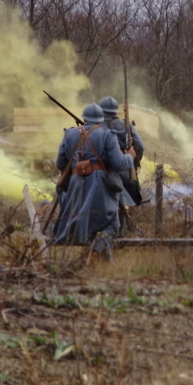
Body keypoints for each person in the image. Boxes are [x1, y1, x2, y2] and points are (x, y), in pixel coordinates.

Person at [53, 103, 135, 261]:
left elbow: (60, 163)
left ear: (84, 118)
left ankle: (96, 260)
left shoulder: (69, 134)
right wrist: (130, 156)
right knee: (112, 224)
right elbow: (119, 163)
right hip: (99, 186)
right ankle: (97, 250)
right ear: (101, 119)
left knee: (81, 221)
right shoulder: (107, 135)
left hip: (75, 185)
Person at [99, 96, 144, 233]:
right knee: (122, 204)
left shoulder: (96, 127)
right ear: (115, 111)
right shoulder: (126, 125)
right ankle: (120, 234)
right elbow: (140, 147)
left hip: (102, 170)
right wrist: (134, 162)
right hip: (124, 170)